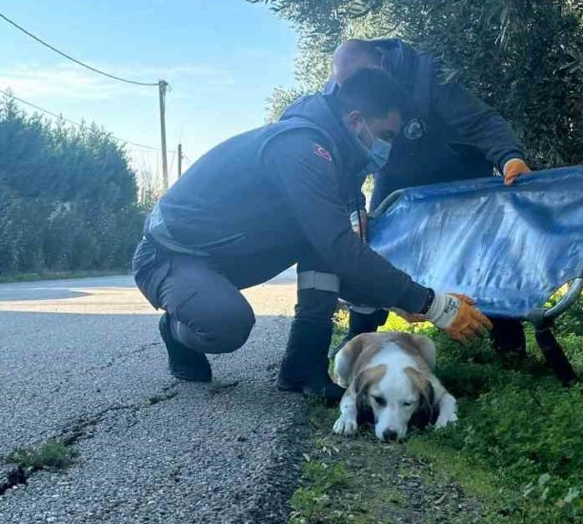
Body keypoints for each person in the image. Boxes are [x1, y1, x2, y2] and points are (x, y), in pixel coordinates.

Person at [133, 68, 491, 383]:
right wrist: (433, 304)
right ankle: (175, 329)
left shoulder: (339, 161)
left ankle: (303, 364)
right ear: (355, 121)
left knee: (320, 244)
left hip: (228, 256)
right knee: (228, 325)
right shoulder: (303, 149)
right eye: (387, 135)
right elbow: (340, 247)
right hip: (169, 254)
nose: (388, 148)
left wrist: (403, 301)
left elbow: (338, 256)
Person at [277, 38, 533, 401]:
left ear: (381, 63)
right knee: (372, 244)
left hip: (460, 177)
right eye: (345, 84)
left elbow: (480, 121)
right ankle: (361, 333)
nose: (352, 88)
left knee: (485, 254)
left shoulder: (430, 78)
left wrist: (509, 157)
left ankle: (508, 342)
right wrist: (355, 205)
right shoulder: (338, 94)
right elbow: (345, 153)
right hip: (396, 179)